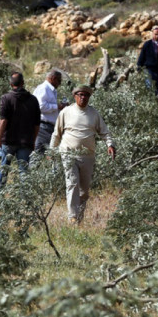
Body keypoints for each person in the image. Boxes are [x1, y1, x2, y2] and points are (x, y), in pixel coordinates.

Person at [50, 85, 116, 224]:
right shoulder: (66, 112)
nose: (83, 97)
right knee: (72, 183)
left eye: (86, 95)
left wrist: (110, 144)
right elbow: (57, 133)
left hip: (87, 155)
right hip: (68, 153)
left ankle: (79, 217)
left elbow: (104, 132)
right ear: (75, 96)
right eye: (80, 94)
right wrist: (52, 151)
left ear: (89, 97)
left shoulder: (94, 113)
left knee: (84, 190)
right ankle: (72, 217)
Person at [0, 72, 40, 190]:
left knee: (3, 170)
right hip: (26, 142)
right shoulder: (33, 100)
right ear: (23, 83)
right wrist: (33, 141)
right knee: (24, 172)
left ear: (10, 83)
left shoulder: (6, 98)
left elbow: (3, 121)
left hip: (8, 141)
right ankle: (26, 201)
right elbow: (37, 124)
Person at [32, 69, 67, 155]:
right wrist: (57, 106)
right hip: (43, 127)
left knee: (48, 155)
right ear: (53, 78)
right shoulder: (44, 88)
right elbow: (40, 106)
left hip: (48, 127)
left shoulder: (50, 90)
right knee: (38, 154)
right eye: (59, 80)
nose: (60, 83)